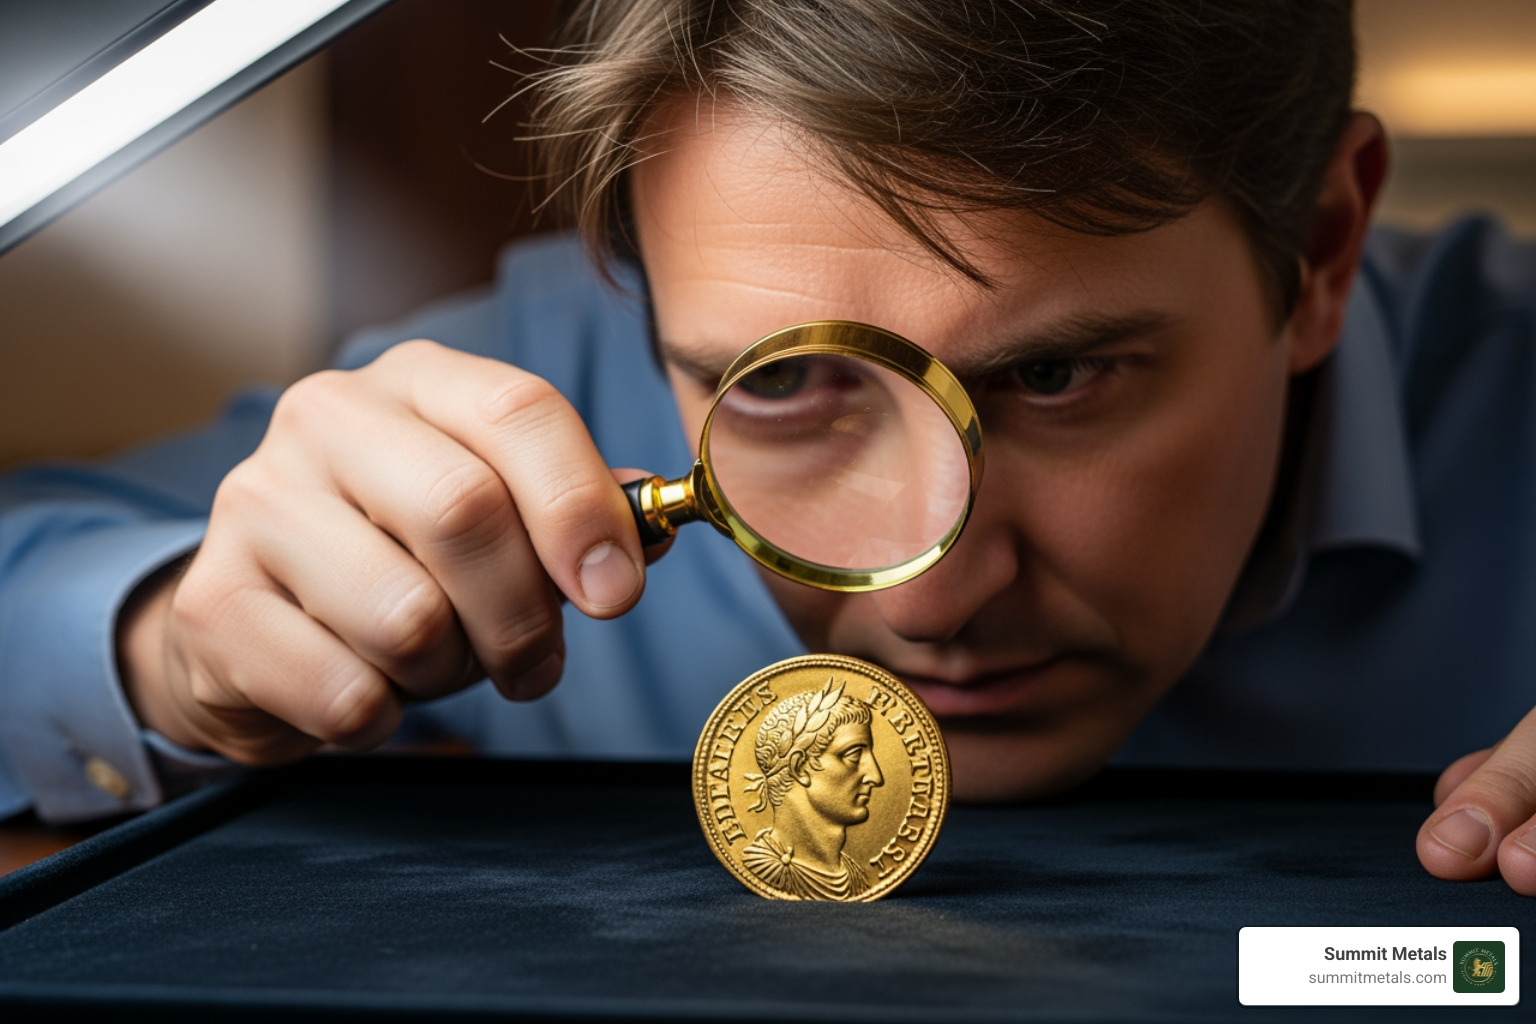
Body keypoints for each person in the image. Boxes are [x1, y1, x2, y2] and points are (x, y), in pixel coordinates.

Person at [0, 0, 1532, 898]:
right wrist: (166, 644)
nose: (928, 597)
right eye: (781, 387)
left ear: (1322, 251)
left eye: (1055, 375)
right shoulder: (551, 366)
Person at [740, 680, 884, 900]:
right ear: (800, 768)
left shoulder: (856, 875)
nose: (876, 777)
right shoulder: (764, 868)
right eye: (853, 755)